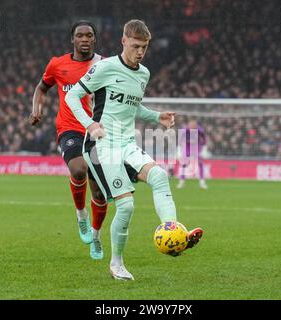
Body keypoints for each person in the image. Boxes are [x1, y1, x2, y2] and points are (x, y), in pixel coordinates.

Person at [66, 19, 203, 280]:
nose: (140, 52)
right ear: (124, 41)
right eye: (136, 46)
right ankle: (116, 264)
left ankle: (174, 235)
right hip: (100, 145)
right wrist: (90, 124)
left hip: (126, 143)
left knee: (160, 176)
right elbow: (72, 96)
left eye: (145, 47)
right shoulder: (104, 68)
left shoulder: (143, 74)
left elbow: (133, 106)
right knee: (126, 206)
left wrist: (156, 117)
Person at [29, 21, 108, 260]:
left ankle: (95, 237)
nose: (85, 39)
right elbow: (41, 88)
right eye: (80, 35)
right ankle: (81, 214)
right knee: (78, 169)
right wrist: (36, 109)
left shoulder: (103, 65)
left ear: (95, 39)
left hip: (96, 131)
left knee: (100, 193)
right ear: (72, 39)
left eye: (89, 35)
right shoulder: (57, 64)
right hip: (69, 128)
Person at [177, 119, 208, 189]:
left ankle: (202, 182)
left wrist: (204, 149)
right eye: (191, 124)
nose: (193, 126)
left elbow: (204, 139)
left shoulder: (199, 130)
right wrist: (179, 150)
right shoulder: (185, 130)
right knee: (183, 164)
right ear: (189, 124)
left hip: (196, 147)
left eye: (194, 124)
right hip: (187, 147)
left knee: (200, 164)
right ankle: (181, 181)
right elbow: (179, 140)